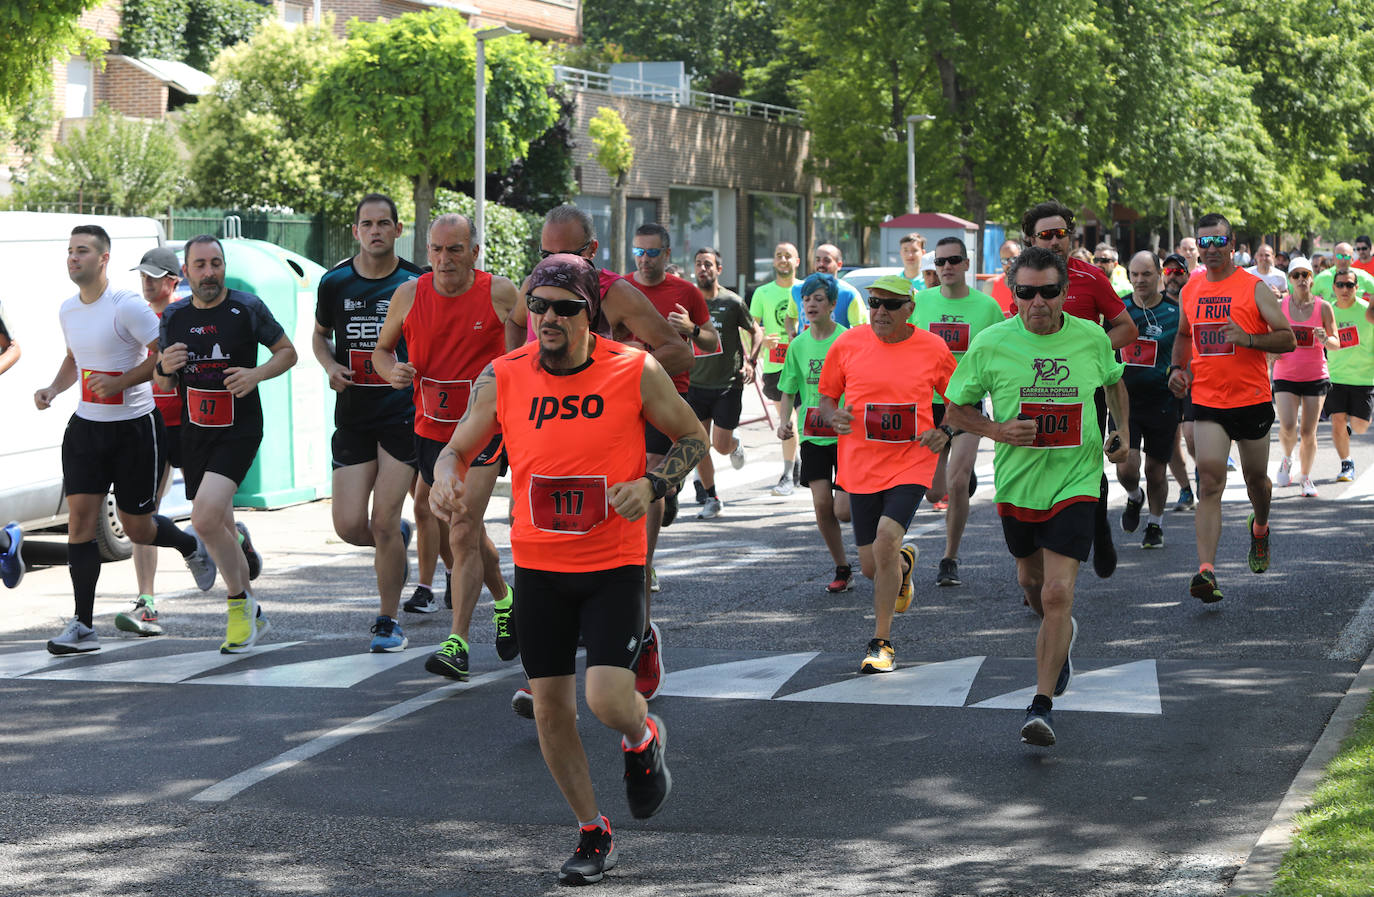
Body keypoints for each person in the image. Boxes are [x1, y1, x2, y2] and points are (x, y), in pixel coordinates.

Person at [428, 254, 705, 886]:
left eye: (565, 307)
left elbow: (691, 438)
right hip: (540, 567)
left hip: (613, 564)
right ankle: (592, 830)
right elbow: (457, 447)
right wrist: (445, 476)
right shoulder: (504, 375)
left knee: (606, 699)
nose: (548, 317)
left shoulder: (633, 368)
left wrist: (652, 484)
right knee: (551, 711)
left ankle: (643, 736)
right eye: (538, 306)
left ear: (591, 313)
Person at [505, 206, 694, 709]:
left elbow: (677, 351)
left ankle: (640, 639)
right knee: (537, 543)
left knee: (632, 548)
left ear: (590, 251)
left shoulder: (616, 293)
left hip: (612, 436)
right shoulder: (536, 286)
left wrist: (610, 370)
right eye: (544, 254)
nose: (552, 264)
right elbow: (514, 328)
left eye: (565, 253)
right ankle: (545, 671)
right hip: (548, 434)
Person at [944, 247, 1130, 748]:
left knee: (1056, 592)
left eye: (1048, 291)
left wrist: (1122, 434)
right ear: (1014, 295)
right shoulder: (991, 343)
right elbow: (955, 409)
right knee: (1030, 582)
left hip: (1076, 481)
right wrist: (997, 430)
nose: (1038, 302)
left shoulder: (1091, 338)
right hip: (1018, 486)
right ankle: (1059, 634)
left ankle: (1041, 704)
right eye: (1026, 292)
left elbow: (1116, 384)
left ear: (1065, 293)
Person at [33, 227, 218, 653]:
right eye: (70, 251)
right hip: (86, 428)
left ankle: (190, 545)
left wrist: (120, 384)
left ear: (104, 259)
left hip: (134, 427)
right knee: (79, 525)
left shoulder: (127, 306)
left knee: (138, 527)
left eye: (82, 251)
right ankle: (83, 626)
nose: (73, 258)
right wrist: (54, 389)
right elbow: (74, 358)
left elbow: (164, 354)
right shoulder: (68, 310)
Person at [373, 213, 515, 680]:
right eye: (436, 249)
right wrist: (390, 371)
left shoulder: (500, 293)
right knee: (461, 527)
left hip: (484, 431)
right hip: (431, 431)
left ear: (474, 252)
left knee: (462, 529)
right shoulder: (409, 294)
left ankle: (457, 643)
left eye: (454, 249)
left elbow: (526, 352)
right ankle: (506, 601)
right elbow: (381, 351)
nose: (444, 259)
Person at [158, 233, 297, 653]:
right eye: (200, 265)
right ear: (186, 272)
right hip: (195, 430)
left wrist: (256, 374)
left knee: (203, 520)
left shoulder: (246, 307)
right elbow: (165, 381)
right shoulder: (174, 315)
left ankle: (238, 605)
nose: (209, 273)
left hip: (239, 429)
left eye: (215, 264)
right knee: (218, 523)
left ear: (224, 267)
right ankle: (254, 613)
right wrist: (163, 367)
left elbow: (287, 352)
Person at [816, 273, 957, 673]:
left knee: (887, 538)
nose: (880, 311)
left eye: (891, 305)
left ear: (909, 308)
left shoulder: (932, 347)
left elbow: (960, 398)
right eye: (874, 303)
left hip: (911, 460)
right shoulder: (847, 343)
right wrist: (833, 415)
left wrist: (945, 431)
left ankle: (882, 642)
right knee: (871, 567)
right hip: (860, 463)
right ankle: (904, 566)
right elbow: (826, 397)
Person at [314, 194, 424, 651]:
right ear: (356, 231)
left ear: (398, 229)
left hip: (402, 416)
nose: (375, 231)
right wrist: (329, 366)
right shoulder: (335, 282)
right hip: (354, 416)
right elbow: (320, 336)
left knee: (382, 520)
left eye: (383, 223)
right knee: (348, 526)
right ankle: (396, 540)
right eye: (367, 224)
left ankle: (387, 621)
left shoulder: (417, 282)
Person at [1168, 213, 1295, 604]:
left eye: (1218, 241)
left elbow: (1287, 339)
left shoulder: (1253, 288)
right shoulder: (1191, 288)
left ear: (1232, 244)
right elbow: (1184, 336)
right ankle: (1206, 571)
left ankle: (1260, 527)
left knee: (1258, 482)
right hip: (1208, 400)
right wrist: (1176, 370)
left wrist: (1249, 339)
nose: (1210, 250)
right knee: (1209, 481)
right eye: (1203, 243)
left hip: (1252, 399)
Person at [1016, 201, 1137, 581]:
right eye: (1045, 235)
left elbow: (1127, 329)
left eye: (1061, 234)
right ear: (1030, 239)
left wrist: (1086, 353)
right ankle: (1034, 565)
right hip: (1032, 388)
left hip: (1083, 389)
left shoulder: (1091, 277)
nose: (1054, 241)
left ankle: (1099, 530)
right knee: (1034, 465)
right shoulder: (1020, 279)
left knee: (1086, 465)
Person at [626, 222, 717, 697]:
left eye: (652, 252)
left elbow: (712, 343)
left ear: (666, 253)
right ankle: (661, 503)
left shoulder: (685, 292)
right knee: (638, 476)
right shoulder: (620, 292)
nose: (644, 259)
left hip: (668, 396)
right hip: (624, 398)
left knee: (650, 473)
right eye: (638, 252)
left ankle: (645, 557)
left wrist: (692, 331)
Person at [909, 236, 1004, 586]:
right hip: (928, 406)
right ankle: (959, 474)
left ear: (966, 264)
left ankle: (949, 558)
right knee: (934, 493)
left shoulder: (987, 308)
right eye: (940, 262)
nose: (947, 267)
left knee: (957, 482)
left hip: (966, 404)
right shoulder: (920, 303)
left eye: (953, 260)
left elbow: (1000, 355)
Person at [124, 246, 202, 636]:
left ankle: (238, 542)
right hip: (151, 424)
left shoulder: (185, 316)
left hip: (189, 423)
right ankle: (147, 602)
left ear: (173, 280)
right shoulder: (137, 319)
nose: (146, 283)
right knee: (144, 515)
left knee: (208, 513)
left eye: (153, 277)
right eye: (142, 276)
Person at [776, 274, 852, 592]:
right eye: (806, 299)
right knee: (822, 504)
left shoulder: (848, 340)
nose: (811, 304)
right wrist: (784, 421)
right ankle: (842, 567)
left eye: (818, 299)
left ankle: (879, 541)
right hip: (812, 434)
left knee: (843, 511)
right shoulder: (798, 344)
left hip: (846, 435)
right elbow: (788, 389)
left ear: (832, 304)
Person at [686, 248, 762, 519]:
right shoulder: (688, 302)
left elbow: (756, 332)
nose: (702, 269)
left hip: (728, 384)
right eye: (698, 264)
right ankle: (712, 497)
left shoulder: (732, 302)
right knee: (698, 444)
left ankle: (734, 443)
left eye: (708, 264)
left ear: (719, 269)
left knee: (720, 445)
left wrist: (751, 361)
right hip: (695, 384)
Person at [1116, 251, 1182, 548]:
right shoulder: (1119, 310)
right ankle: (1134, 497)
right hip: (1124, 401)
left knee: (1155, 472)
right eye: (1135, 274)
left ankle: (1155, 524)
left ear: (1159, 275)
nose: (1140, 280)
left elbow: (1187, 353)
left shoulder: (1175, 312)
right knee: (1125, 467)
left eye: (1146, 274)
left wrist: (1182, 376)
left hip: (1162, 402)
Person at [1271, 256, 1336, 498]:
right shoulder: (1280, 306)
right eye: (1296, 275)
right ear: (1289, 279)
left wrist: (1325, 339)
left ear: (1312, 278)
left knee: (1308, 432)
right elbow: (1270, 337)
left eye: (1305, 275)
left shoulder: (1323, 307)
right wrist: (1271, 352)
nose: (1301, 279)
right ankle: (1287, 458)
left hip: (1315, 375)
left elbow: (1336, 341)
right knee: (1288, 427)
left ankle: (1306, 477)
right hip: (1285, 374)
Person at [750, 242, 802, 496]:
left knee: (800, 420)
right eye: (779, 255)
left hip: (804, 365)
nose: (783, 260)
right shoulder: (762, 292)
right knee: (788, 419)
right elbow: (751, 327)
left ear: (797, 261)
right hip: (776, 367)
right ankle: (791, 471)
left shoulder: (804, 289)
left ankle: (791, 471)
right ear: (773, 261)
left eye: (788, 256)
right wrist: (763, 340)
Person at [1326, 267, 1374, 481]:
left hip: (1364, 378)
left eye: (1349, 285)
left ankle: (1348, 430)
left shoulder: (1367, 312)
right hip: (1335, 377)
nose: (1345, 289)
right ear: (1334, 288)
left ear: (1357, 287)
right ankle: (1346, 463)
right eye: (1340, 285)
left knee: (1359, 426)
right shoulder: (1328, 311)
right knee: (1337, 420)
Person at [1160, 253, 1197, 512]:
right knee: (1170, 441)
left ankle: (1205, 475)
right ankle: (1185, 489)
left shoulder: (1195, 299)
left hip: (1195, 379)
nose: (1173, 276)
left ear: (1187, 275)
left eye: (1178, 272)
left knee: (1193, 437)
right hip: (1165, 382)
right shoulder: (1155, 304)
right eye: (1168, 271)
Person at [791, 243, 867, 327]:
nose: (821, 264)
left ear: (839, 265)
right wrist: (791, 331)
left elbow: (860, 328)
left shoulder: (849, 294)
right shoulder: (797, 289)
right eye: (818, 260)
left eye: (827, 261)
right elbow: (790, 317)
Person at [988, 239, 1020, 314]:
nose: (1009, 264)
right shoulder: (990, 285)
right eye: (1004, 260)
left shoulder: (1031, 284)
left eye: (1013, 259)